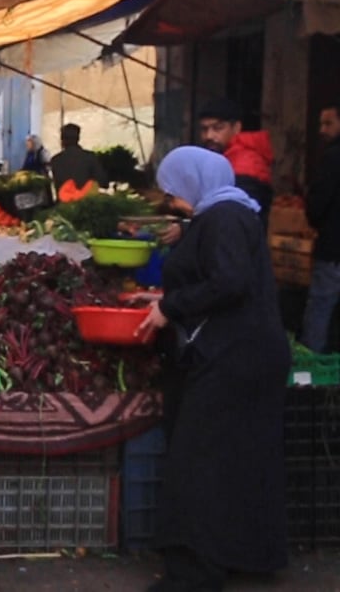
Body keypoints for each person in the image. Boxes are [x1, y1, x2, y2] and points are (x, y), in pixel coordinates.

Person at [135, 146, 289, 592]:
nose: (171, 200)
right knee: (241, 461)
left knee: (198, 462)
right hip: (247, 354)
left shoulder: (222, 218)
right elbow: (217, 270)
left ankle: (194, 573)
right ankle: (247, 555)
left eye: (174, 191)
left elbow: (228, 281)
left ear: (193, 183)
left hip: (233, 359)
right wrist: (185, 242)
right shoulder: (228, 213)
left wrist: (171, 307)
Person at [299, 103, 340, 352]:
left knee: (320, 308)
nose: (322, 130)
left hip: (334, 249)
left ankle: (309, 374)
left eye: (328, 123)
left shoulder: (333, 157)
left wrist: (315, 218)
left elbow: (318, 203)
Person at [198, 97, 274, 228]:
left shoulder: (246, 162)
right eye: (204, 129)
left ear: (236, 127)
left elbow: (234, 216)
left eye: (218, 128)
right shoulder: (221, 158)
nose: (209, 136)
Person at [49, 123, 108, 195]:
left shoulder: (55, 160)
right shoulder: (90, 157)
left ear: (62, 139)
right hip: (86, 201)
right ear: (78, 138)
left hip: (64, 203)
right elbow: (103, 182)